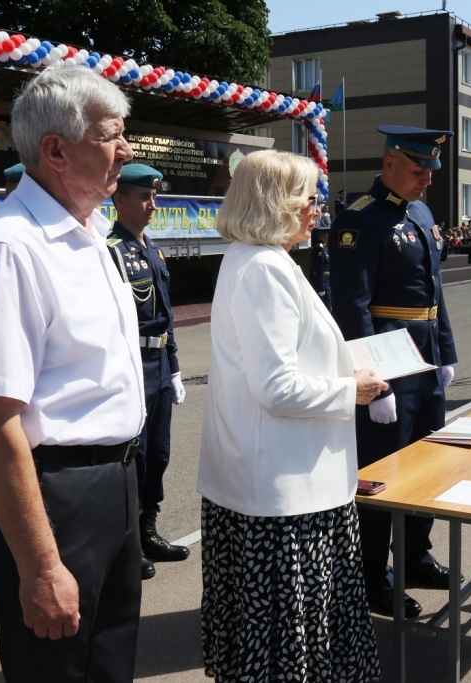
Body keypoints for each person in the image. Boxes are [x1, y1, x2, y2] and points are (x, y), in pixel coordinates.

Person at [0, 65, 145, 682]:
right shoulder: (9, 249)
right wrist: (39, 566)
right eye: (112, 136)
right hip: (53, 498)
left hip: (113, 485)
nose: (127, 151)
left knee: (107, 667)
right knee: (57, 671)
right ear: (56, 150)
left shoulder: (87, 236)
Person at [198, 149, 383, 682]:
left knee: (277, 647)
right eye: (308, 197)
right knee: (291, 651)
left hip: (279, 485)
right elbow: (277, 387)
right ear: (275, 203)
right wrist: (352, 390)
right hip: (284, 496)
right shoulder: (263, 269)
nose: (316, 209)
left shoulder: (258, 260)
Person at [329, 125, 458, 619]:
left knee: (428, 462)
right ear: (389, 164)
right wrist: (371, 378)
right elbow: (354, 307)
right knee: (381, 475)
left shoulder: (420, 212)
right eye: (418, 169)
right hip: (388, 366)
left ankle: (414, 554)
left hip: (423, 361)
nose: (427, 179)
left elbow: (434, 291)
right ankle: (370, 577)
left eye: (430, 170)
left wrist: (445, 351)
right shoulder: (360, 220)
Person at [107, 163, 189, 582]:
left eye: (154, 196)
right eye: (143, 196)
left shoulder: (151, 249)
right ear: (118, 199)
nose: (152, 204)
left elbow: (167, 317)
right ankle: (128, 545)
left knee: (157, 453)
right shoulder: (111, 250)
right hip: (132, 368)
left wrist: (173, 366)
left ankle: (148, 529)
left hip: (158, 365)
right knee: (132, 459)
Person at [309, 222, 333, 311]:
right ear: (323, 236)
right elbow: (318, 269)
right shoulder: (319, 248)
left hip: (328, 282)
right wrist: (321, 287)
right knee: (327, 308)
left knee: (330, 307)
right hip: (324, 283)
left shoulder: (325, 248)